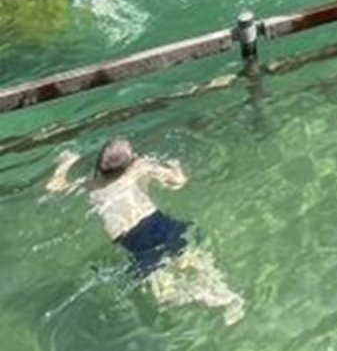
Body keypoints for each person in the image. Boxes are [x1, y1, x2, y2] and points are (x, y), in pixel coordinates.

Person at [46, 139, 243, 324]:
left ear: (98, 166)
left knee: (163, 294)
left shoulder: (90, 186)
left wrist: (65, 162)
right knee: (192, 260)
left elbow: (54, 188)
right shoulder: (139, 169)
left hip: (135, 242)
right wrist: (175, 166)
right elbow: (179, 181)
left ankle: (200, 295)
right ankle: (226, 296)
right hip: (161, 224)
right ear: (131, 162)